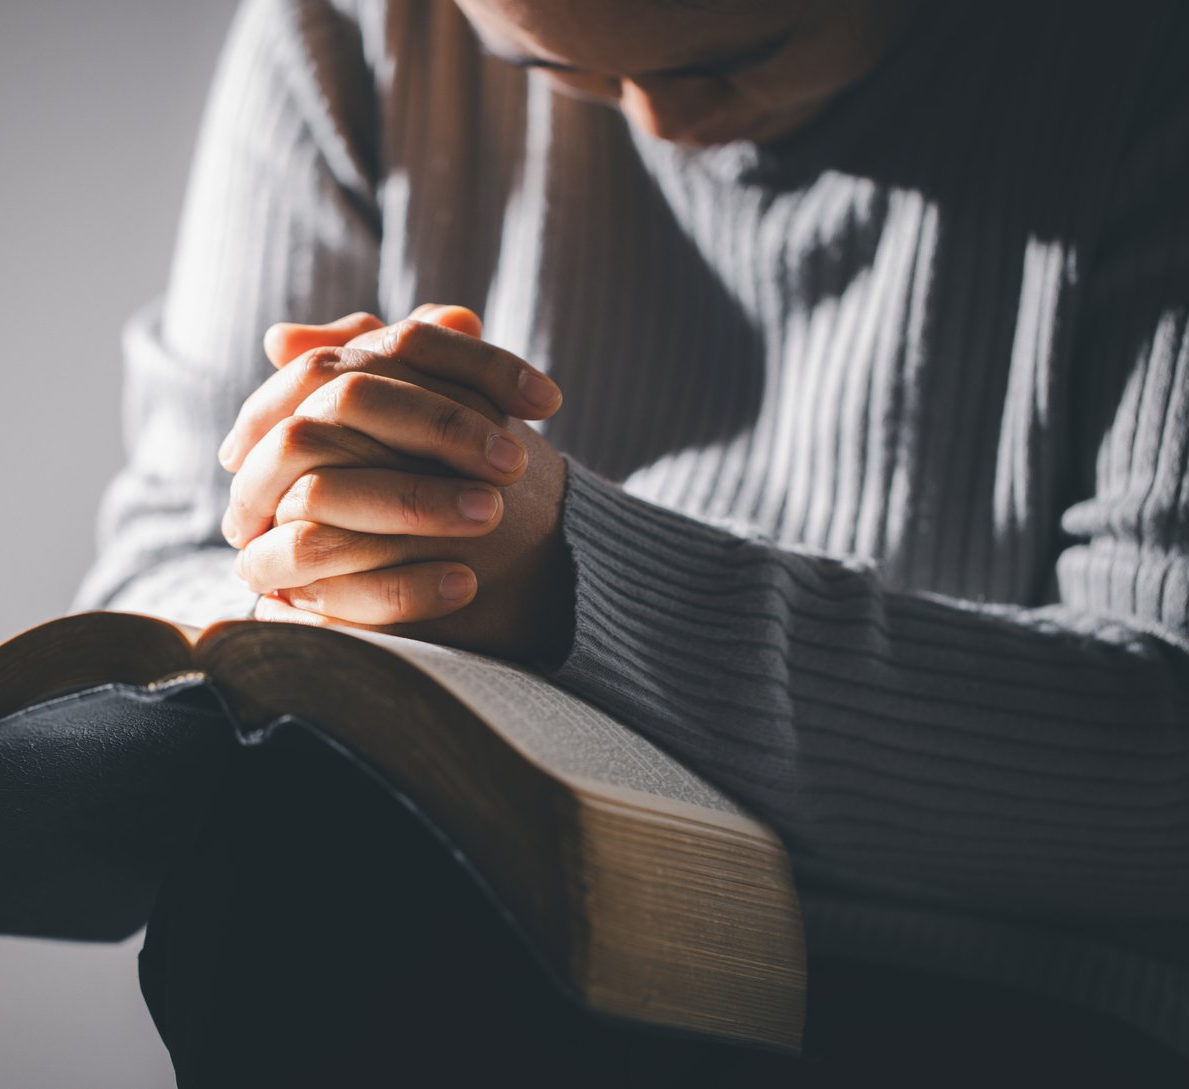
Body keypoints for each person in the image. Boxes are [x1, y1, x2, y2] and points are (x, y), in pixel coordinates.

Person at [73, 0, 1189, 1082]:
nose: (656, 130)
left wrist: (572, 585)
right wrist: (323, 568)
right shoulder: (351, 27)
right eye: (548, 73)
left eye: (734, 52)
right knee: (285, 890)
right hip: (461, 933)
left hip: (981, 996)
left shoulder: (1139, 57)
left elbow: (1158, 770)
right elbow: (165, 560)